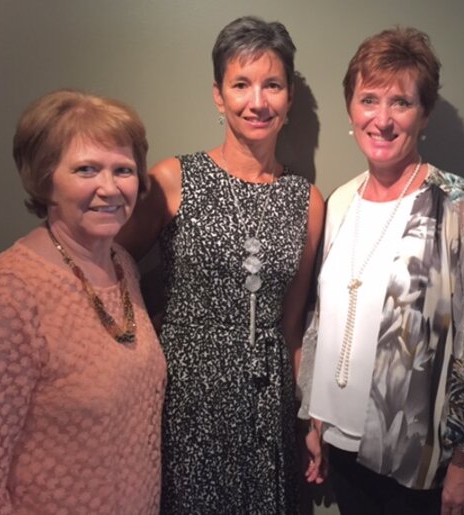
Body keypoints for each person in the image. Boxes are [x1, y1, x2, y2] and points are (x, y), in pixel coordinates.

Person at [298, 27, 464, 515]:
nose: (383, 119)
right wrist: (316, 419)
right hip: (341, 447)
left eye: (402, 102)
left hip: (416, 462)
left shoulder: (456, 208)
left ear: (424, 114)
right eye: (368, 99)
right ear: (351, 110)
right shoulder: (340, 201)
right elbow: (322, 318)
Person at [117, 16, 324, 514]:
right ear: (218, 95)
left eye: (272, 85)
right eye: (241, 84)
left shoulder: (307, 201)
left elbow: (292, 327)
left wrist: (308, 422)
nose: (258, 101)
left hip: (266, 411)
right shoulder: (173, 179)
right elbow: (112, 271)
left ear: (289, 96)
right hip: (186, 404)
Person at [0, 89, 166, 514]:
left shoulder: (122, 264)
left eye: (123, 170)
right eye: (86, 169)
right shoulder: (12, 293)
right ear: (45, 177)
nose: (109, 188)